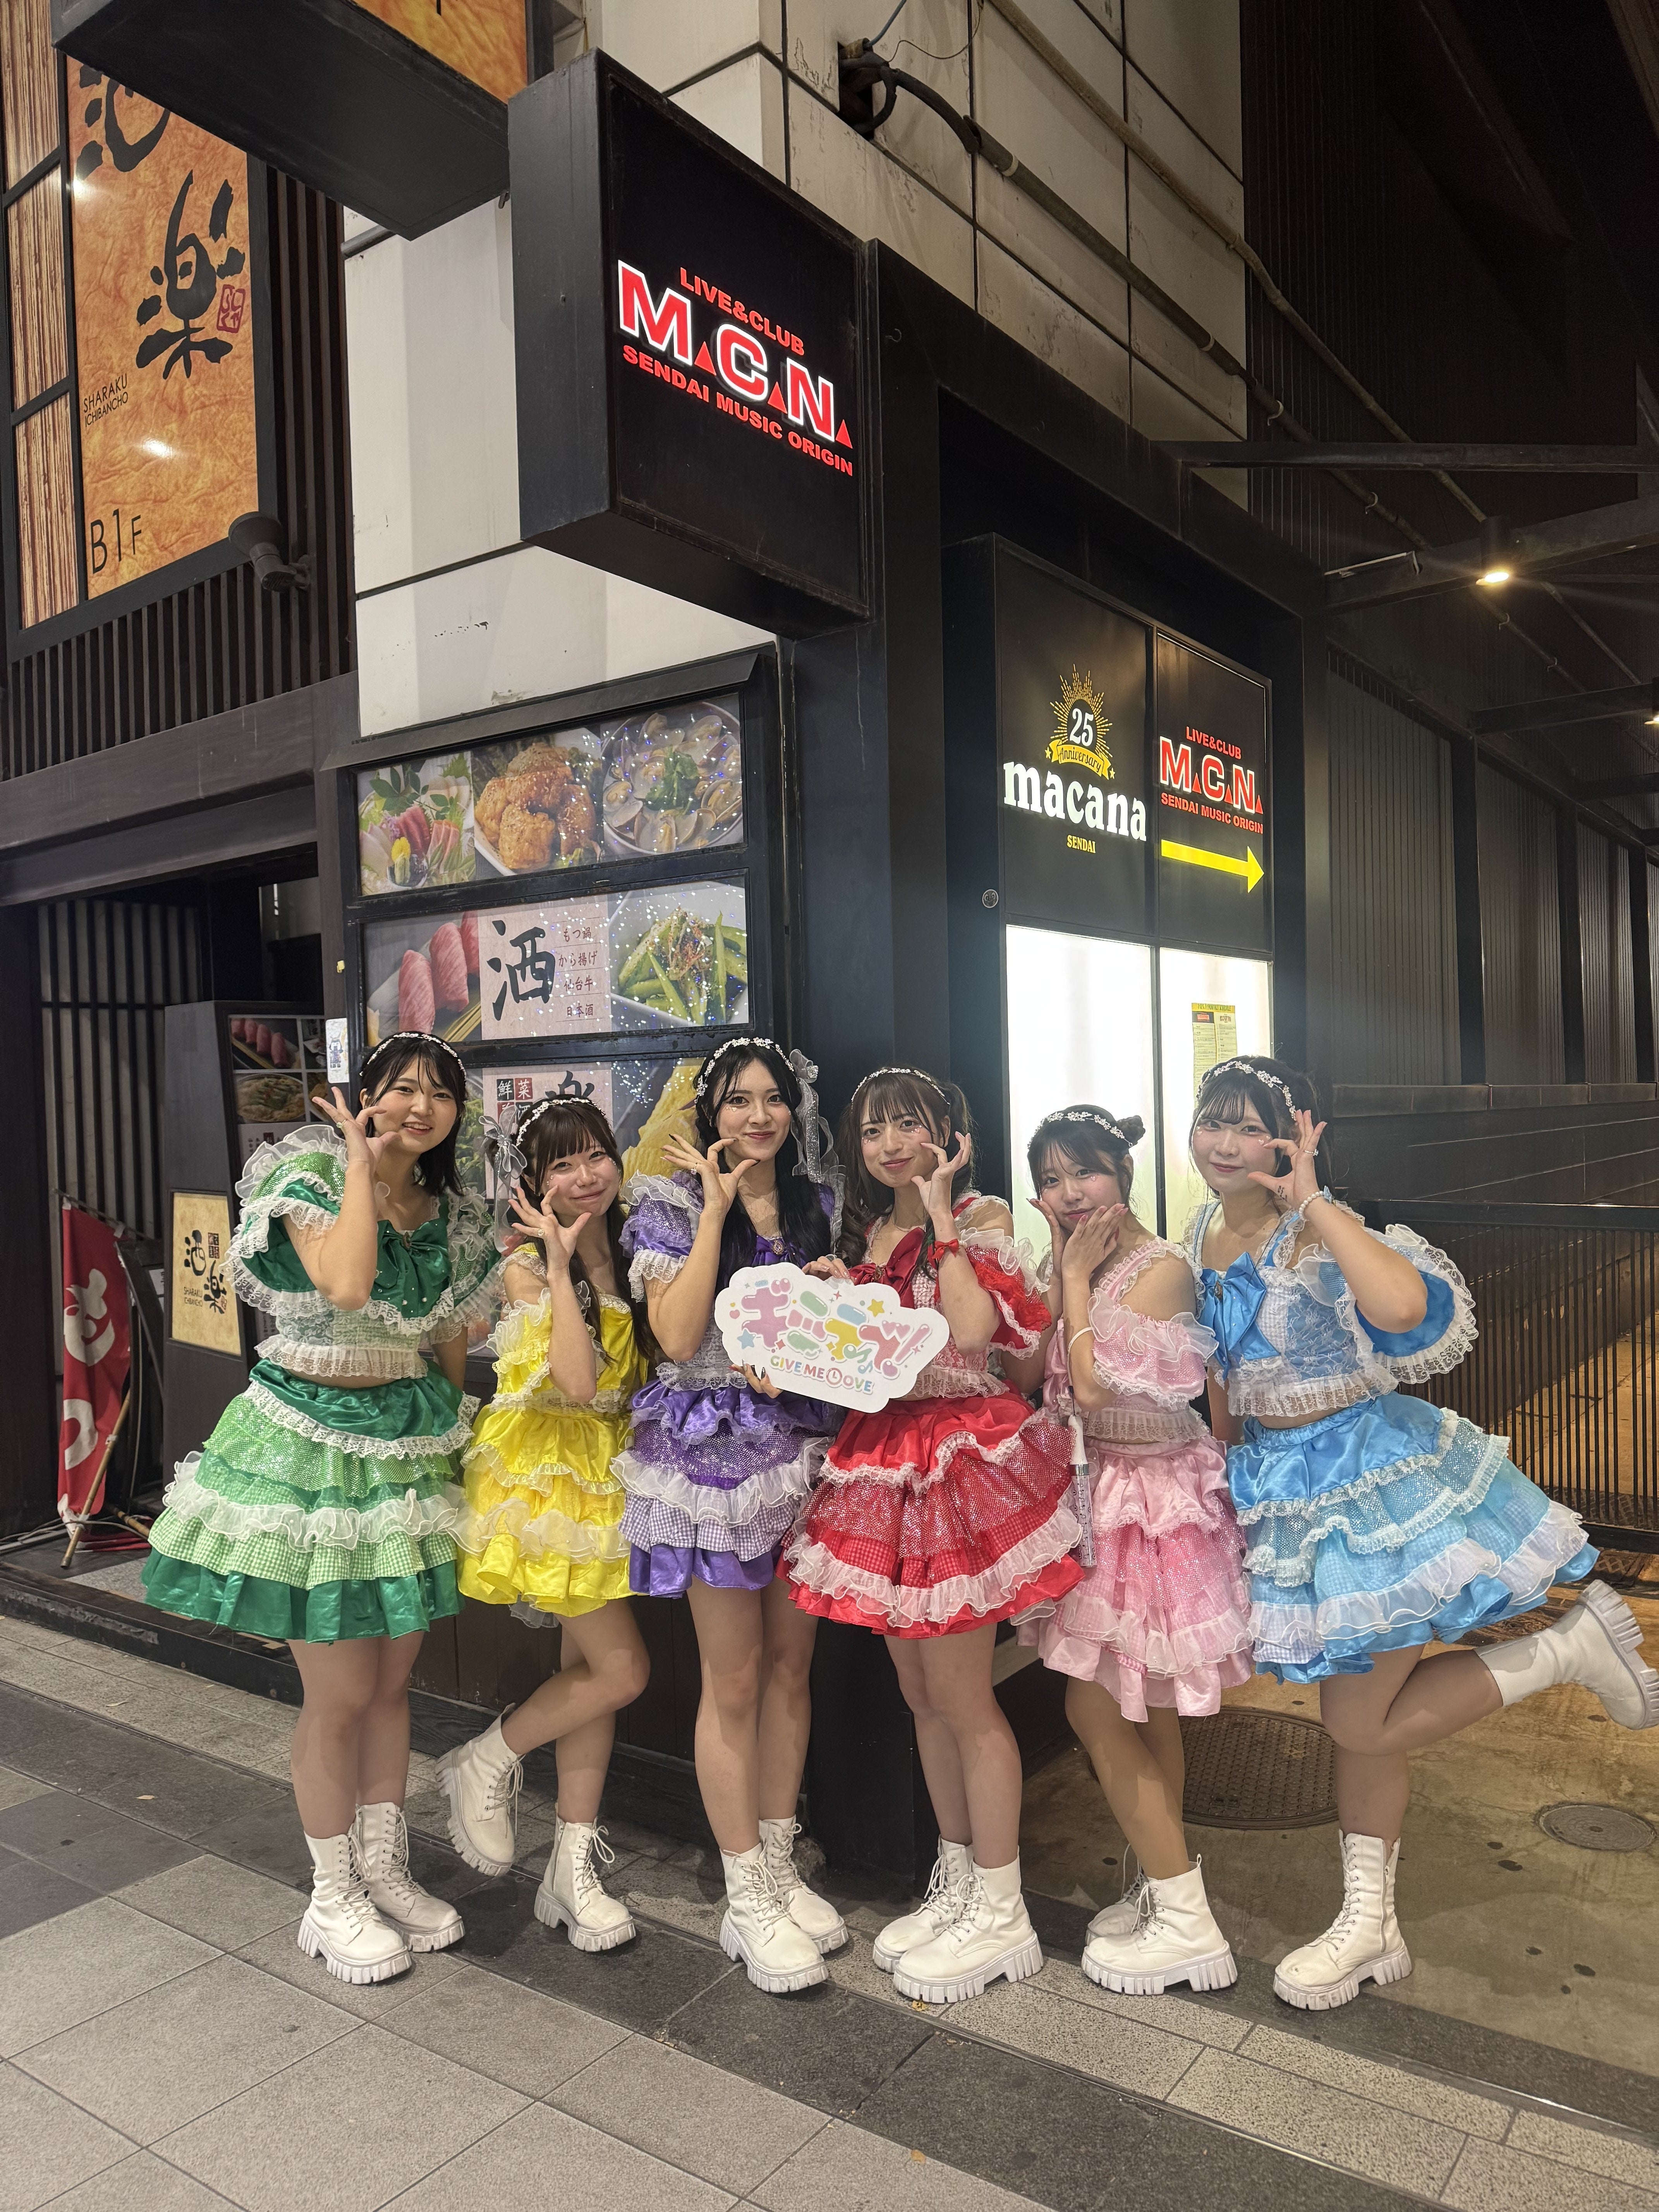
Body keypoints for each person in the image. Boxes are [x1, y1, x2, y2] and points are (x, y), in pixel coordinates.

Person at [1187, 1054, 1659, 2011]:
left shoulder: (1317, 1230)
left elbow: (1405, 1309)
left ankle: (1567, 1651)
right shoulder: (1200, 1229)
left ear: (1298, 1134)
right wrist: (1224, 1475)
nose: (1227, 1143)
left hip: (1368, 1481)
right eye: (1213, 1120)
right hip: (1279, 1490)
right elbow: (1222, 1373)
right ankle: (1371, 1926)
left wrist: (1314, 1200)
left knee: (1357, 1721)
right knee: (1362, 1728)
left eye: (1251, 1125)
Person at [143, 1034, 502, 1986]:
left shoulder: (453, 1217)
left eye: (440, 1094)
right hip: (308, 1444)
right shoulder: (305, 1175)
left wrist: (454, 1456)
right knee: (339, 1692)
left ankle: (383, 1868)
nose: (420, 1107)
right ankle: (331, 1893)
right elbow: (345, 1283)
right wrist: (355, 1160)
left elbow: (448, 1346)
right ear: (365, 1093)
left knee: (391, 1686)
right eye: (402, 1089)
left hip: (404, 1452)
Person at [786, 1066, 1082, 2005]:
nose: (891, 1145)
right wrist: (834, 1304)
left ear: (949, 1132)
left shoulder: (982, 1219)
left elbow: (974, 1329)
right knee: (921, 1692)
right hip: (883, 1460)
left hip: (960, 1458)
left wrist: (944, 1218)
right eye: (874, 1129)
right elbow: (867, 1357)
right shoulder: (872, 1234)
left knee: (963, 1697)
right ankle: (957, 1879)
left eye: (909, 1124)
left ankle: (1003, 1908)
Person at [618, 1038, 844, 1994]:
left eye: (774, 1099)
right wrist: (715, 1210)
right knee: (737, 1676)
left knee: (792, 1667)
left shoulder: (814, 1200)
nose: (759, 1117)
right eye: (739, 1100)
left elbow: (826, 1338)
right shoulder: (667, 1205)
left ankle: (780, 1862)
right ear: (709, 1112)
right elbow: (675, 1336)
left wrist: (835, 1301)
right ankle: (744, 1893)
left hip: (802, 1451)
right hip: (710, 1457)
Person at [1016, 1104, 1253, 1996]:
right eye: (1050, 1179)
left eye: (1085, 1171)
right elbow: (1032, 1375)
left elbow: (1092, 1388)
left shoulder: (1160, 1269)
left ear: (1122, 1173)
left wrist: (1073, 1281)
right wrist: (1060, 1276)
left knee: (1093, 1708)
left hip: (1151, 1502)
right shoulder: (1076, 1262)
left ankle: (1188, 1921)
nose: (1070, 1193)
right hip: (1095, 1491)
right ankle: (1165, 1883)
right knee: (1144, 1708)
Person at [440, 1097, 651, 1951]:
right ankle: (487, 1758)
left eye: (596, 1154)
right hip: (550, 1482)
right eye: (562, 1164)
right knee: (624, 1670)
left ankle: (571, 1870)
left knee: (588, 1673)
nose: (586, 1175)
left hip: (610, 1475)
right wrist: (564, 1268)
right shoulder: (526, 1266)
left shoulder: (632, 1245)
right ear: (532, 1185)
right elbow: (576, 1381)